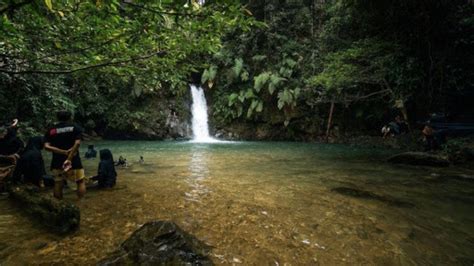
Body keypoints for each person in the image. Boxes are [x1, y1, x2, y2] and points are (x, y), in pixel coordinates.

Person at [44, 110, 86, 200]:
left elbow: (46, 147)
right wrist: (69, 156)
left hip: (57, 160)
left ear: (57, 118)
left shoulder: (52, 130)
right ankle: (81, 203)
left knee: (58, 183)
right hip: (74, 160)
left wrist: (62, 152)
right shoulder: (75, 127)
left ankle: (59, 205)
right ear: (70, 117)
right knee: (80, 181)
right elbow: (77, 143)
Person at [0, 120, 23, 191]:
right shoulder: (17, 141)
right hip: (11, 160)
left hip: (3, 159)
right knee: (6, 175)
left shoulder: (2, 140)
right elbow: (21, 150)